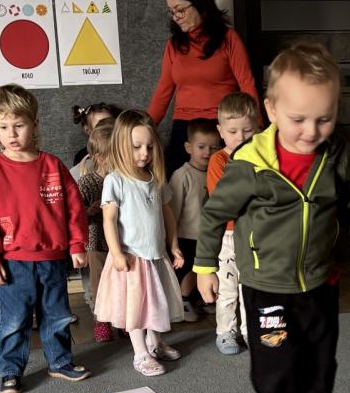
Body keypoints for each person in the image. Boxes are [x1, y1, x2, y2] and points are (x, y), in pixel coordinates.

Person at [195, 43, 350, 393]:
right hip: (266, 285)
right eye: (298, 119)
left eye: (324, 118)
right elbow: (214, 214)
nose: (311, 131)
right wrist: (205, 266)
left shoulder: (336, 156)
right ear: (272, 110)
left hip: (320, 283)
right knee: (275, 362)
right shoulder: (249, 164)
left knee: (320, 366)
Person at [0, 84, 91, 393]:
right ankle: (11, 370)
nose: (12, 134)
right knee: (15, 319)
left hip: (52, 259)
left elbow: (74, 208)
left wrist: (77, 244)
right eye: (3, 127)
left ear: (34, 124)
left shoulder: (53, 166)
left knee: (57, 314)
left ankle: (60, 361)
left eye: (19, 125)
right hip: (13, 262)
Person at [94, 110, 184, 377]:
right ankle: (140, 353)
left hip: (156, 255)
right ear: (122, 145)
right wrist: (116, 253)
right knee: (135, 307)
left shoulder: (155, 179)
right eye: (136, 147)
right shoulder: (116, 180)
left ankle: (155, 342)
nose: (144, 153)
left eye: (149, 147)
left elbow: (167, 213)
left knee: (156, 302)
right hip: (132, 258)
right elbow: (109, 219)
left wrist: (174, 245)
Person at [148, 0, 257, 174]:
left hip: (222, 126)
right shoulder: (174, 45)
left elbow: (247, 83)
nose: (176, 17)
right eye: (171, 11)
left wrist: (259, 129)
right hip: (185, 128)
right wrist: (142, 128)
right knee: (173, 178)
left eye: (180, 10)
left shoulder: (229, 39)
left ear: (200, 4)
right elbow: (163, 91)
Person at [206, 91, 259, 355]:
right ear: (220, 131)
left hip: (254, 235)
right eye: (233, 131)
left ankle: (252, 331)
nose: (240, 137)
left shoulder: (260, 157)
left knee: (251, 287)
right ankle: (226, 332)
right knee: (227, 288)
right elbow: (225, 201)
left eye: (247, 130)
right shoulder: (219, 160)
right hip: (227, 237)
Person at [169, 118, 221, 322]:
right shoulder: (182, 175)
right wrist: (172, 241)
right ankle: (183, 301)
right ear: (188, 147)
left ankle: (201, 299)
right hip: (188, 235)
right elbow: (172, 210)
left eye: (213, 147)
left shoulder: (216, 172)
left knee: (209, 267)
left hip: (209, 234)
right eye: (201, 147)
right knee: (191, 269)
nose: (207, 152)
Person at [75, 120, 115, 341]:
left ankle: (122, 320)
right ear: (100, 157)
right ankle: (102, 321)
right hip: (97, 241)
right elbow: (73, 215)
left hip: (121, 241)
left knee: (121, 283)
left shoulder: (123, 180)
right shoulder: (87, 183)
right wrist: (90, 211)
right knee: (99, 284)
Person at [71, 102, 122, 169]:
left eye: (111, 121)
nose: (109, 127)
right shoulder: (82, 156)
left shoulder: (123, 146)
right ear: (88, 131)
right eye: (101, 124)